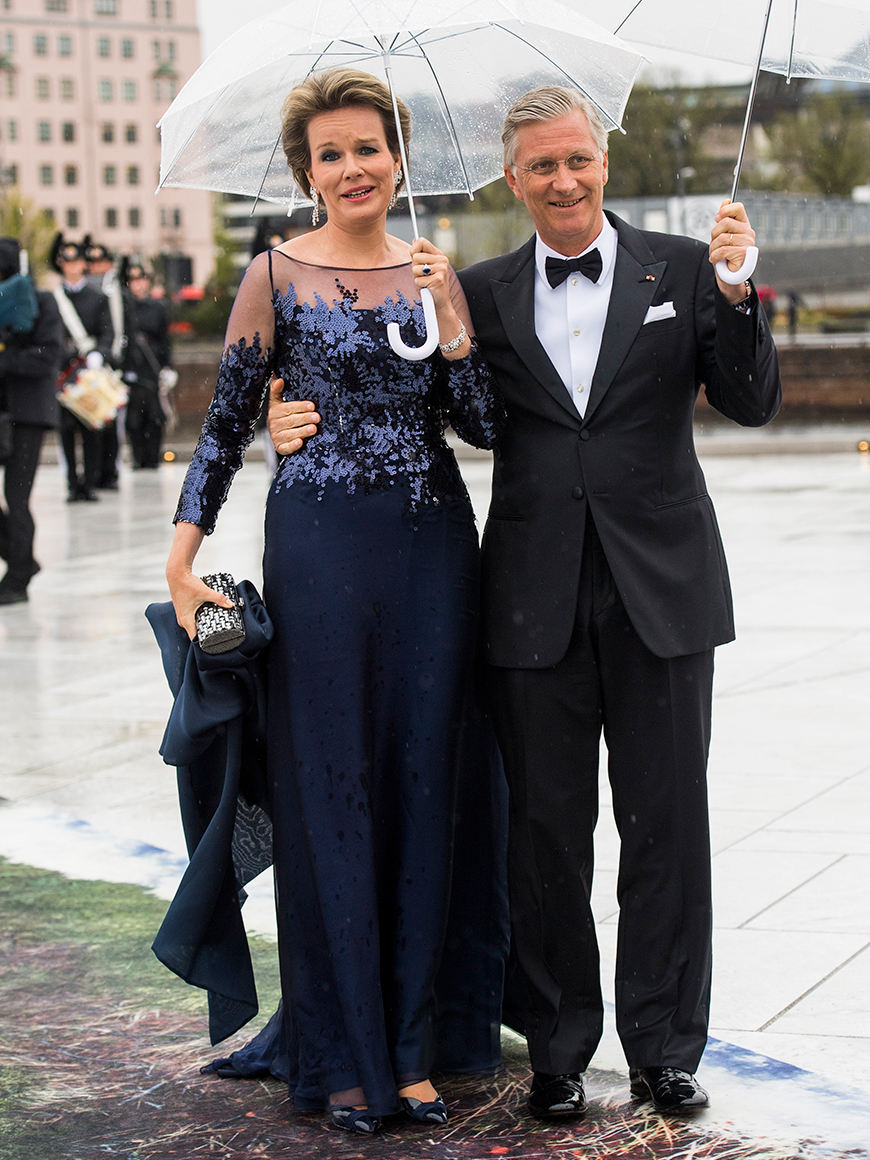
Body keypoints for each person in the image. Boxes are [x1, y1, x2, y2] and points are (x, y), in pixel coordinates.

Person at [268, 85, 781, 1118]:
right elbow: (430, 407)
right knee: (545, 835)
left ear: (604, 162)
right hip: (529, 599)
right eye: (542, 164)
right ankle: (557, 1050)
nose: (564, 179)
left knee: (667, 825)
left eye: (577, 159)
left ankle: (664, 1046)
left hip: (663, 592)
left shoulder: (686, 267)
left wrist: (737, 295)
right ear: (514, 178)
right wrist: (290, 418)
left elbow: (751, 398)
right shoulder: (478, 290)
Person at [164, 68, 507, 1135]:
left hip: (433, 551)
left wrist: (454, 322)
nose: (353, 167)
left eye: (368, 147)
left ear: (397, 158)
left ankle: (410, 1047)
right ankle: (345, 1050)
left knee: (423, 783)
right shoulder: (273, 274)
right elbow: (224, 427)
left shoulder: (435, 274)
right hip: (316, 550)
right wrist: (180, 559)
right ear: (306, 173)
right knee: (333, 788)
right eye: (331, 154)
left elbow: (484, 426)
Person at [0, 237, 64, 604]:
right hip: (3, 411)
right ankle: (20, 558)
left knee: (17, 497)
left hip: (27, 414)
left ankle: (18, 577)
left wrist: (6, 360)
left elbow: (48, 355)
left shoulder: (41, 301)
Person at [51, 236, 115, 502]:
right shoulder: (54, 298)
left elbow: (107, 332)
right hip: (63, 372)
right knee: (65, 431)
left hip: (88, 370)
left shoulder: (97, 297)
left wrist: (100, 353)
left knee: (91, 426)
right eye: (67, 262)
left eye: (76, 262)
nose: (72, 267)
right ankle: (71, 483)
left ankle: (89, 483)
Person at [85, 240, 128, 489]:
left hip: (114, 360)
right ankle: (96, 473)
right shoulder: (87, 289)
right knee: (93, 419)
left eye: (102, 262)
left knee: (113, 422)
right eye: (93, 263)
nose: (97, 267)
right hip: (93, 359)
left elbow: (126, 326)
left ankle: (110, 471)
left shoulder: (116, 288)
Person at [123, 263, 172, 469]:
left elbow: (165, 339)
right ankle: (138, 457)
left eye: (141, 280)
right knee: (134, 417)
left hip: (152, 365)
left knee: (154, 415)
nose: (138, 285)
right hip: (132, 365)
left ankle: (153, 457)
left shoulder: (157, 307)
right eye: (134, 281)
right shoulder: (124, 308)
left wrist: (167, 365)